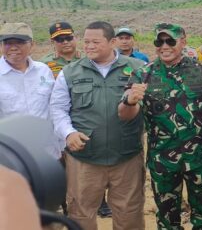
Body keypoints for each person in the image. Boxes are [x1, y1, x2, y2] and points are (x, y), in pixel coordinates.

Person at [118, 23, 202, 230]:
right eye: (160, 41)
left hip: (199, 158)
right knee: (167, 219)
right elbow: (124, 114)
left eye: (170, 41)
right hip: (162, 161)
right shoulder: (143, 75)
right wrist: (130, 101)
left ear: (183, 42)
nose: (164, 46)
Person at [49, 21, 146, 230]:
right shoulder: (70, 72)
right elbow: (57, 109)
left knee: (129, 214)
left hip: (126, 156)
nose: (89, 46)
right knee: (81, 213)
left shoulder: (138, 69)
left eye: (95, 42)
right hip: (84, 159)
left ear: (112, 42)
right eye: (86, 42)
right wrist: (68, 133)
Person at [0, 23, 60, 158]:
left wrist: (61, 146)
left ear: (32, 45)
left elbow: (54, 108)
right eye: (8, 43)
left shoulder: (44, 70)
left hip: (47, 152)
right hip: (11, 156)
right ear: (1, 46)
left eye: (20, 42)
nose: (13, 47)